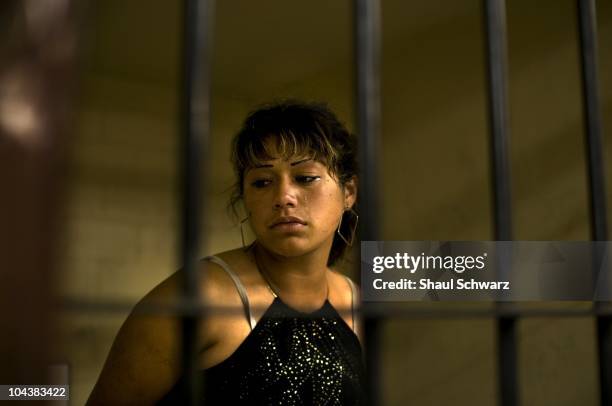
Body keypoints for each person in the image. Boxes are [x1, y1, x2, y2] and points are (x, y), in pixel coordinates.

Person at [86, 100, 366, 405]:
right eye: (262, 182)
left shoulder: (356, 302)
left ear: (348, 193)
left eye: (305, 178)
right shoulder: (199, 296)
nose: (283, 197)